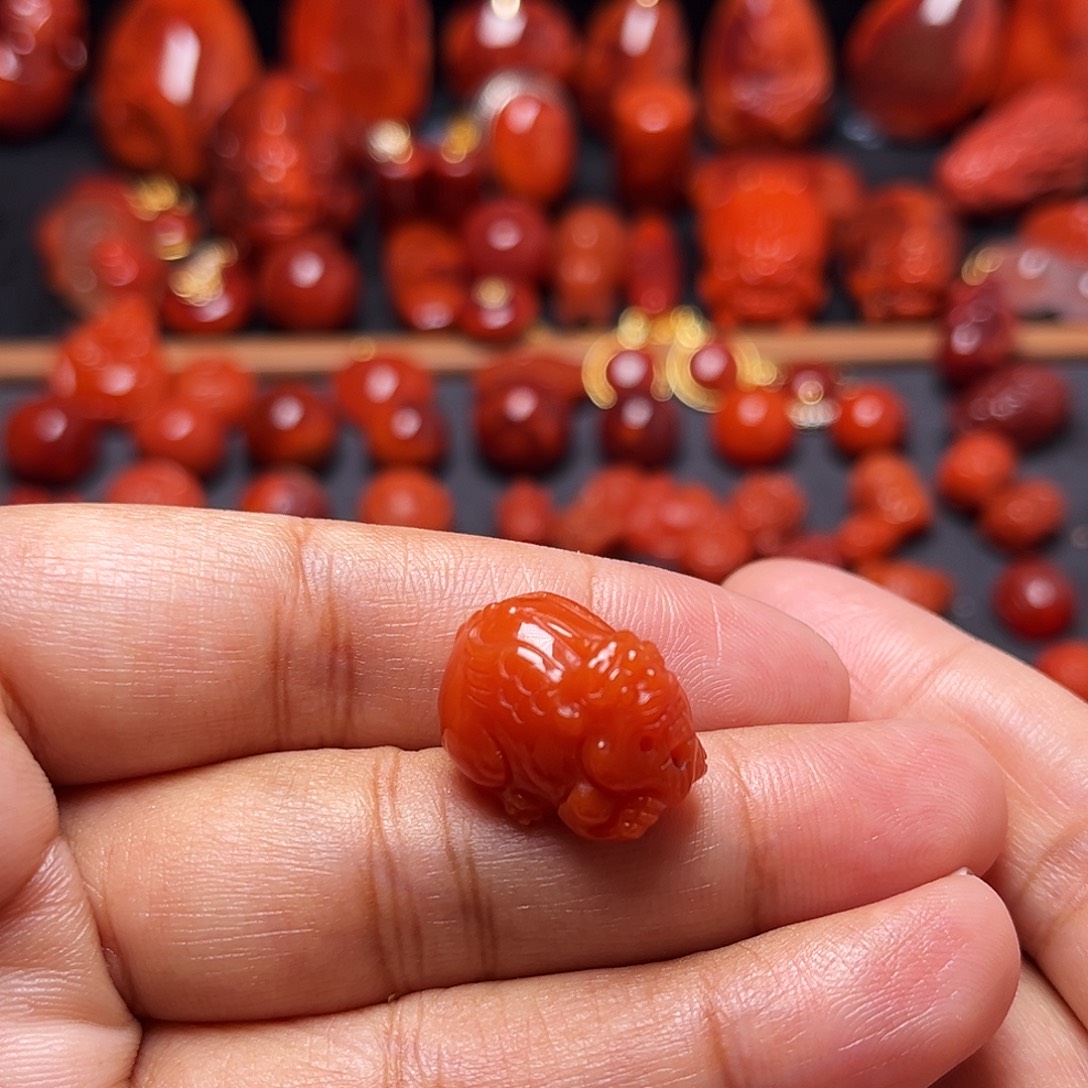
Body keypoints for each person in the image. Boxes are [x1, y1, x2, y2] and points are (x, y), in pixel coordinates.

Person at [0, 502, 1084, 1087]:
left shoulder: (636, 732)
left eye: (668, 743)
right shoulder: (540, 735)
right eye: (653, 750)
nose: (678, 767)